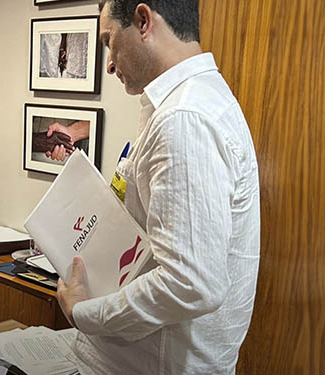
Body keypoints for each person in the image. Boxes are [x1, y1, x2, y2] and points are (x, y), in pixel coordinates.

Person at [55, 1, 260, 374]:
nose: (110, 64)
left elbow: (190, 283)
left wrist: (85, 312)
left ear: (143, 21)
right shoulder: (197, 101)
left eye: (109, 41)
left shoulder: (184, 118)